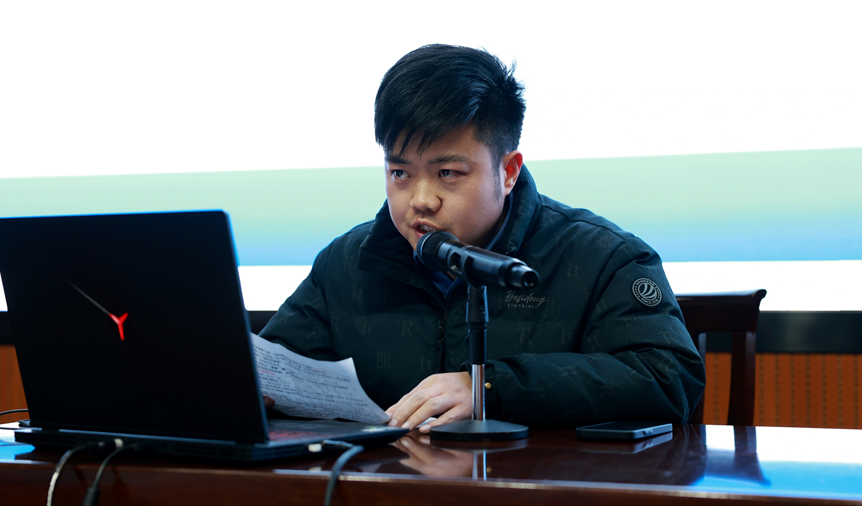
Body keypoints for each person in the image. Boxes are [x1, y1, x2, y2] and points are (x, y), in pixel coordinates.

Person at [260, 44, 705, 433]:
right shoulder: (346, 262)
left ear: (508, 172)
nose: (421, 200)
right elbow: (273, 369)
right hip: (383, 485)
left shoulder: (602, 257)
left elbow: (668, 378)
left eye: (447, 173)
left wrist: (489, 387)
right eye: (399, 173)